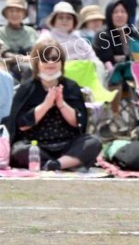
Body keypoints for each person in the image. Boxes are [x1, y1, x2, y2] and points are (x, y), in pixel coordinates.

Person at [6, 39, 102, 171]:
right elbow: (21, 126)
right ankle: (61, 163)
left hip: (67, 144)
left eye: (55, 58)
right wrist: (46, 105)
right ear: (37, 62)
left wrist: (61, 104)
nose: (50, 62)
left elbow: (78, 123)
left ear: (61, 62)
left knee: (93, 142)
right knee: (19, 150)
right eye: (45, 58)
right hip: (36, 145)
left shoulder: (70, 86)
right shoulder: (27, 88)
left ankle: (54, 165)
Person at [0, 0, 38, 81]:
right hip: (8, 65)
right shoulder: (1, 31)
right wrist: (20, 58)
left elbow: (38, 50)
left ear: (24, 14)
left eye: (18, 11)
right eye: (11, 11)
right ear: (6, 14)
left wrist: (31, 57)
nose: (14, 14)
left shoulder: (31, 31)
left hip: (31, 61)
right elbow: (4, 53)